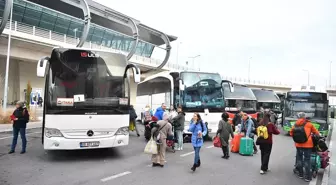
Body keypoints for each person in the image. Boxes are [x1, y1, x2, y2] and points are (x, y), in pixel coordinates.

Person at [290, 112, 320, 182]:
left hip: (298, 145)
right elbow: (316, 133)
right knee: (307, 160)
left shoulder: (295, 124)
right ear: (305, 117)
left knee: (299, 159)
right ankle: (307, 177)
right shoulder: (309, 124)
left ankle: (300, 174)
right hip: (308, 145)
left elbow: (291, 133)